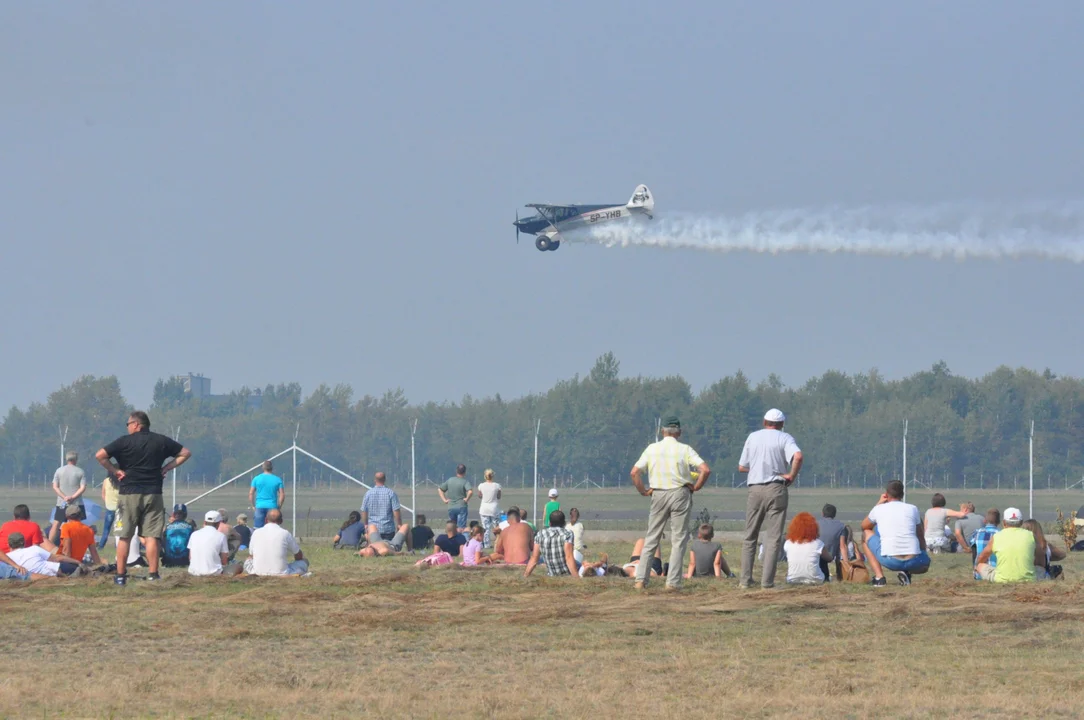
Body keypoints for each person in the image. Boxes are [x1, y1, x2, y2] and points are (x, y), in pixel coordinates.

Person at [96, 411, 191, 585]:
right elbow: (185, 453)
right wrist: (167, 467)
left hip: (128, 493)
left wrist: (115, 470)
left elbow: (100, 455)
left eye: (128, 424)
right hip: (153, 493)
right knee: (152, 536)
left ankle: (120, 575)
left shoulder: (124, 442)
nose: (128, 427)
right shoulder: (161, 440)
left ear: (136, 424)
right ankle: (153, 574)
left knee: (124, 536)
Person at [630, 415, 711, 590]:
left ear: (662, 431)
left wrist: (643, 491)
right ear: (679, 432)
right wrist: (696, 487)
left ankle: (640, 580)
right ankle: (672, 582)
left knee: (651, 538)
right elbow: (705, 469)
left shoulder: (652, 449)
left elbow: (634, 472)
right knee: (678, 539)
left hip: (658, 493)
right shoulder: (685, 449)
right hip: (680, 493)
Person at [738, 409, 802, 590]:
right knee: (773, 538)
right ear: (781, 424)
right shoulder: (785, 438)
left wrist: (758, 468)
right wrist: (791, 475)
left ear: (764, 421)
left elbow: (742, 466)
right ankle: (767, 582)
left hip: (755, 489)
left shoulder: (752, 437)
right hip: (776, 488)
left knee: (750, 535)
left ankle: (745, 580)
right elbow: (797, 456)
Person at [861, 480, 931, 586]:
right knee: (925, 564)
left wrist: (879, 503)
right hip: (914, 561)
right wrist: (923, 552)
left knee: (865, 534)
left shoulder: (879, 509)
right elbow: (920, 535)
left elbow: (864, 526)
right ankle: (906, 572)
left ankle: (879, 578)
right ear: (902, 494)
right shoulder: (913, 508)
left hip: (891, 561)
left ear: (886, 494)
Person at [975, 507, 1035, 583]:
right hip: (1028, 579)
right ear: (1021, 522)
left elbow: (982, 557)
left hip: (1001, 579)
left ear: (1004, 523)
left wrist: (978, 565)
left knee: (980, 566)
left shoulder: (997, 537)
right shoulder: (1030, 535)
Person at [244, 509, 309, 576]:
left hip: (257, 572)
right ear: (281, 521)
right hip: (282, 573)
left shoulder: (256, 533)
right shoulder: (285, 533)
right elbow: (298, 555)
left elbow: (251, 556)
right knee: (304, 562)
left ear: (266, 520)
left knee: (248, 560)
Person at [4, 532, 84, 577]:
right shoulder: (34, 549)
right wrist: (77, 561)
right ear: (24, 543)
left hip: (34, 578)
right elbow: (58, 558)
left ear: (8, 544)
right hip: (53, 572)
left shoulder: (6, 559)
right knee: (78, 569)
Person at [525, 510, 578, 578]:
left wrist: (525, 575)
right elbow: (569, 557)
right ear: (564, 523)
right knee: (581, 563)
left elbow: (534, 558)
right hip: (566, 572)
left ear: (550, 523)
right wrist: (576, 578)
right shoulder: (568, 533)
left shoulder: (540, 534)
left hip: (552, 573)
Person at [49, 450, 87, 545]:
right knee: (78, 525)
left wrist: (64, 497)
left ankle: (49, 544)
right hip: (76, 503)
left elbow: (55, 486)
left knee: (56, 524)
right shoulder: (80, 471)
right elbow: (82, 487)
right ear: (76, 459)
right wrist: (73, 497)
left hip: (62, 502)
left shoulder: (59, 470)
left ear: (66, 459)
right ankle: (79, 544)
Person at [783, 512, 832, 585]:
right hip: (816, 580)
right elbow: (829, 559)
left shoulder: (788, 543)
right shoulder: (818, 543)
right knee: (822, 557)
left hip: (792, 580)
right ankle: (826, 579)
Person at [188, 511, 241, 576]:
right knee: (238, 567)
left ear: (204, 522)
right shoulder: (221, 536)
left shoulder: (194, 534)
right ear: (218, 523)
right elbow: (224, 561)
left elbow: (190, 557)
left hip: (193, 572)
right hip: (214, 573)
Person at [361, 472, 402, 541]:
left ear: (375, 480)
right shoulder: (391, 493)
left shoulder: (368, 493)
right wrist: (399, 524)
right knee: (388, 549)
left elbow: (364, 511)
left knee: (375, 549)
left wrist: (365, 524)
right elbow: (396, 511)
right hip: (388, 529)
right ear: (385, 480)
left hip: (373, 530)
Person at [59, 504, 102, 568]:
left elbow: (66, 549)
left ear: (67, 516)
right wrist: (99, 566)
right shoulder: (89, 530)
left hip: (68, 562)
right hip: (78, 561)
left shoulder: (66, 527)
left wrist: (67, 564)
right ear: (81, 516)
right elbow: (94, 552)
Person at [249, 460, 285, 529]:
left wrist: (253, 506)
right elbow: (282, 495)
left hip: (259, 506)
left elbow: (251, 493)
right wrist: (279, 506)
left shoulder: (256, 479)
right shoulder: (277, 479)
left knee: (258, 529)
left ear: (263, 468)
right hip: (272, 506)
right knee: (273, 529)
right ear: (272, 468)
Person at [438, 464, 473, 533]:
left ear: (456, 471)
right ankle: (460, 541)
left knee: (452, 527)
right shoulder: (465, 482)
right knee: (461, 528)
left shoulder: (450, 480)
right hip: (461, 506)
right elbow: (470, 491)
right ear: (464, 472)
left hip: (451, 506)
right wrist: (467, 499)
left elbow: (440, 489)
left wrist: (444, 500)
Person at [817, 504, 846, 581]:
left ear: (822, 513)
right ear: (834, 514)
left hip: (817, 556)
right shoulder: (841, 526)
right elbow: (842, 547)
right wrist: (846, 565)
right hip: (829, 556)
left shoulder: (816, 524)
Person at [972, 509, 1001, 580]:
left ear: (985, 520)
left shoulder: (977, 533)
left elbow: (974, 552)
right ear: (999, 522)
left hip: (979, 573)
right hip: (998, 573)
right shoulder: (1001, 534)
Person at [477, 469, 502, 548]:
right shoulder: (497, 486)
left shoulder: (481, 485)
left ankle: (487, 545)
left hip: (484, 508)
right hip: (494, 509)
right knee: (496, 527)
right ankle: (498, 543)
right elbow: (498, 497)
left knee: (485, 528)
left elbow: (480, 496)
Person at [99, 474, 120, 549]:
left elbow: (103, 494)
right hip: (119, 510)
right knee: (119, 529)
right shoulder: (121, 481)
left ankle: (101, 546)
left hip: (109, 508)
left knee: (106, 529)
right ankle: (118, 546)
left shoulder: (106, 481)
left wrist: (107, 502)